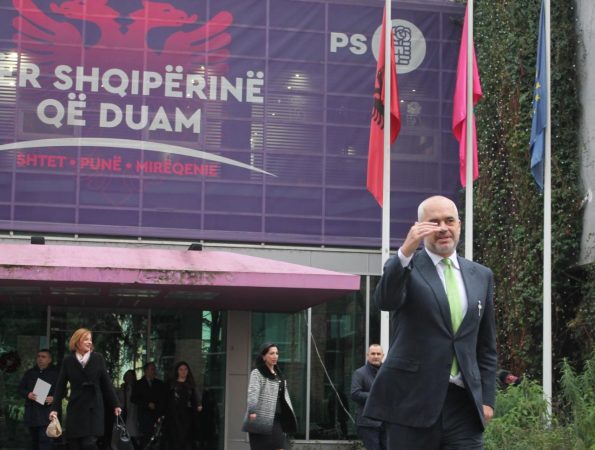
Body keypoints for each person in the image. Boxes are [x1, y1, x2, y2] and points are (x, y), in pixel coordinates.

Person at [363, 195, 497, 449]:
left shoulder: (481, 275)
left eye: (449, 221)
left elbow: (486, 344)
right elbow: (386, 301)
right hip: (412, 403)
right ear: (419, 227)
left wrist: (487, 398)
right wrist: (405, 252)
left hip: (464, 406)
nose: (443, 228)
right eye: (434, 223)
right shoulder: (408, 267)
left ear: (459, 225)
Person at [49, 328, 121, 450]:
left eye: (90, 340)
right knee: (74, 444)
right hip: (75, 408)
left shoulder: (98, 358)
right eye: (86, 339)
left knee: (89, 444)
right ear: (77, 342)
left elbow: (107, 383)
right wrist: (54, 409)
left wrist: (116, 404)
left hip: (94, 408)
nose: (89, 342)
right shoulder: (68, 360)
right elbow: (60, 386)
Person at [241, 343, 298, 450]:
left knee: (281, 447)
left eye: (277, 353)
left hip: (277, 418)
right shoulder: (257, 373)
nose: (275, 356)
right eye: (271, 353)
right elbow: (253, 392)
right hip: (261, 419)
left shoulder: (278, 373)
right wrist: (252, 411)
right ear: (264, 357)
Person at [18, 349, 59, 450]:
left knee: (45, 441)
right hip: (32, 412)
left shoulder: (56, 373)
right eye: (38, 356)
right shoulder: (30, 373)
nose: (40, 359)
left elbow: (62, 391)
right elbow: (20, 389)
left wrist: (54, 398)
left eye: (43, 357)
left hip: (47, 412)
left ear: (49, 360)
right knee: (33, 442)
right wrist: (28, 394)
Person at [351, 344, 387, 450]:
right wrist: (376, 396)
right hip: (368, 424)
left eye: (378, 354)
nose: (376, 356)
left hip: (386, 422)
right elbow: (355, 394)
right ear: (367, 355)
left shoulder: (388, 373)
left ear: (383, 355)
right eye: (373, 354)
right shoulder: (359, 373)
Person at [163, 361, 202, 450]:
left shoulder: (191, 385)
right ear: (177, 371)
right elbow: (165, 401)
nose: (183, 372)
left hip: (187, 417)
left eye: (185, 369)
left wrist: (198, 407)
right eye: (181, 369)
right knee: (174, 441)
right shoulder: (170, 384)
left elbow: (195, 401)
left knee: (186, 441)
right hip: (173, 417)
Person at [131, 362, 166, 449]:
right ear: (146, 371)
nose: (153, 371)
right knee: (146, 439)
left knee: (157, 439)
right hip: (144, 416)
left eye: (154, 369)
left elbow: (163, 399)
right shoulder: (138, 384)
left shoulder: (159, 383)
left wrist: (161, 412)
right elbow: (133, 399)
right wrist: (147, 404)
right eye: (151, 369)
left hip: (157, 416)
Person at [118, 369, 141, 450]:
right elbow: (120, 401)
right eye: (127, 376)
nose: (129, 378)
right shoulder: (123, 388)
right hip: (124, 413)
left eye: (130, 376)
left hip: (133, 413)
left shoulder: (136, 387)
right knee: (126, 434)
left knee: (132, 434)